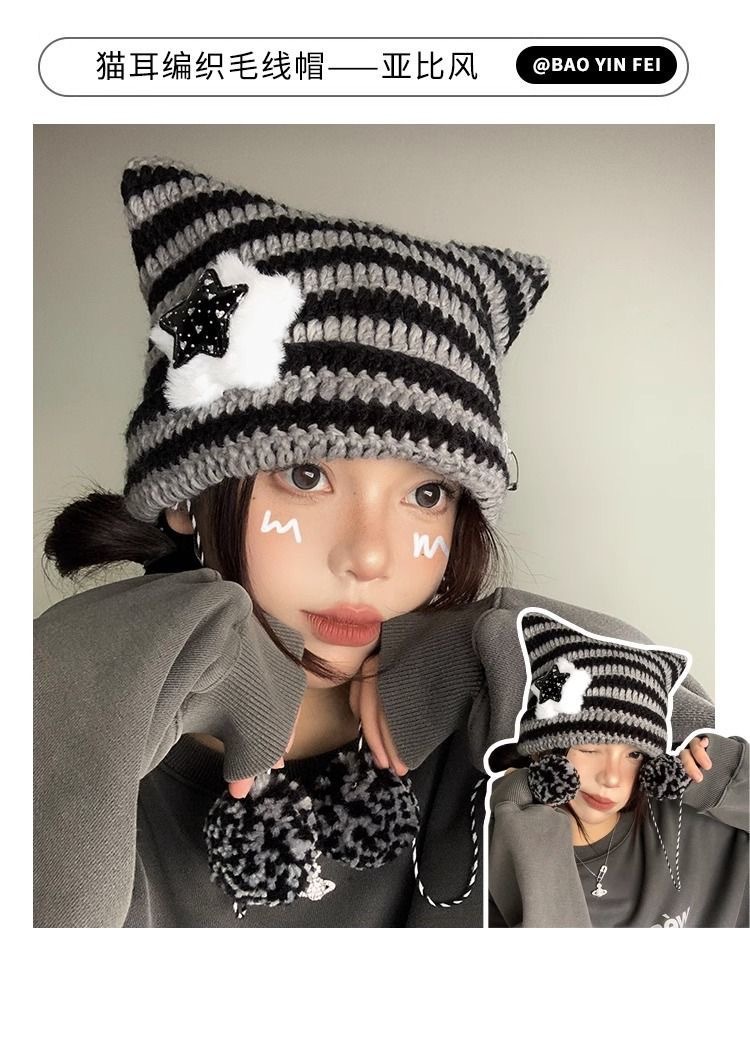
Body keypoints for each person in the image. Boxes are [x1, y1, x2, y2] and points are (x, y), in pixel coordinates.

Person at [34, 156, 715, 927]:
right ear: (187, 495)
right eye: (305, 474)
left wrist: (507, 650)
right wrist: (122, 667)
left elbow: (701, 830)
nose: (370, 556)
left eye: (426, 495)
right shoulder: (85, 729)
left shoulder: (492, 746)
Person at [486, 609, 748, 928]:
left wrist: (717, 775)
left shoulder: (688, 812)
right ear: (543, 753)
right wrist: (520, 814)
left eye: (634, 754)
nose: (611, 777)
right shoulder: (508, 853)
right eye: (589, 748)